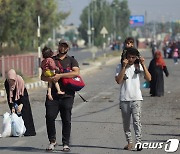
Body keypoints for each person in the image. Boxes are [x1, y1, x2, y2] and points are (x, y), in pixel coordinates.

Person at [41, 39, 80, 152]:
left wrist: (60, 76)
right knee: (49, 116)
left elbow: (76, 72)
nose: (63, 48)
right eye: (61, 45)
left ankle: (65, 143)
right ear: (58, 47)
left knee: (66, 119)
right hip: (52, 95)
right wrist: (51, 78)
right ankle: (52, 141)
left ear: (68, 48)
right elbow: (42, 77)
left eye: (65, 46)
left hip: (67, 95)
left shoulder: (72, 60)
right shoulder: (51, 59)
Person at [115, 47, 151, 151]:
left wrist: (143, 64)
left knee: (136, 121)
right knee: (126, 123)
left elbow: (149, 78)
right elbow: (118, 80)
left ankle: (139, 142)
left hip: (136, 99)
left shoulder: (138, 66)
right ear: (125, 57)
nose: (131, 59)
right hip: (124, 99)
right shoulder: (120, 67)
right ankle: (129, 142)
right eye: (129, 57)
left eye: (133, 57)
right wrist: (124, 67)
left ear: (136, 57)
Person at [4, 69, 36, 136]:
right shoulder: (6, 83)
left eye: (12, 80)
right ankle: (17, 131)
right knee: (15, 115)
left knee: (26, 113)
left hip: (22, 97)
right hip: (13, 99)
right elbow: (9, 95)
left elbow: (23, 93)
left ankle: (29, 131)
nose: (11, 82)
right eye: (9, 80)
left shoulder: (20, 80)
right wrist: (12, 106)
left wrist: (21, 104)